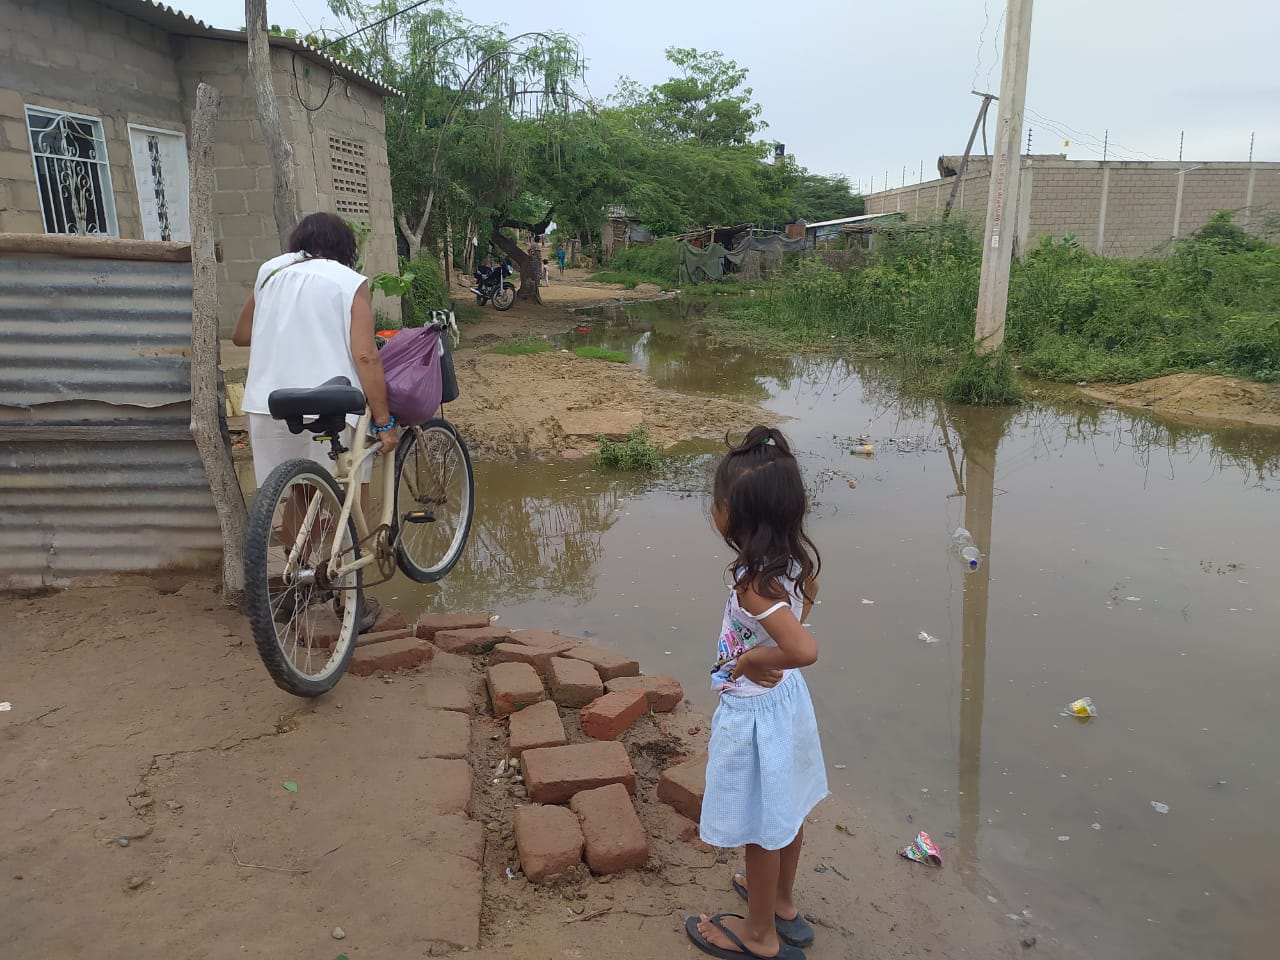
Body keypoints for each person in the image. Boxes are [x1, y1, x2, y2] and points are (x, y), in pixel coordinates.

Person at [686, 426, 827, 960]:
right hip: (788, 703)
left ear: (733, 514)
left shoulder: (753, 582)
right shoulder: (791, 564)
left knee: (761, 825)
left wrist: (754, 658)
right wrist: (778, 650)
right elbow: (809, 598)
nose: (713, 510)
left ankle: (760, 935)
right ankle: (783, 905)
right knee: (786, 811)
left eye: (716, 502)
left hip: (755, 710)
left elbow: (804, 648)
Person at [233, 212, 397, 632]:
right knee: (348, 498)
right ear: (344, 249)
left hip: (270, 403)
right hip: (331, 401)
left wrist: (286, 328)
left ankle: (297, 582)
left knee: (297, 493)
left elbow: (242, 334)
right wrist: (383, 420)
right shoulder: (348, 281)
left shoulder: (270, 272)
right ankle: (350, 605)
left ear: (300, 243)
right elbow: (365, 355)